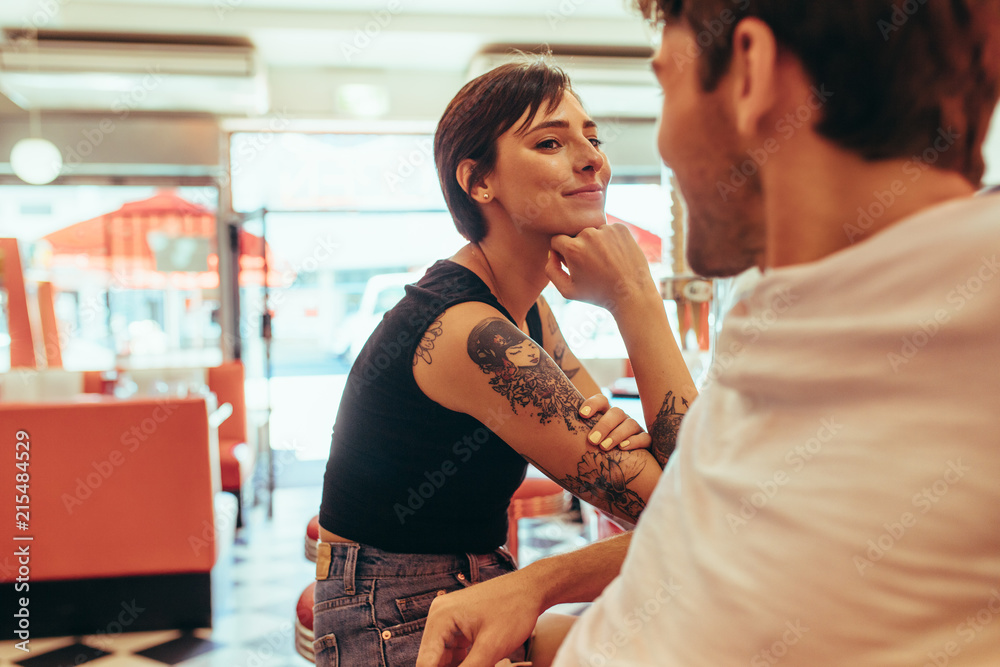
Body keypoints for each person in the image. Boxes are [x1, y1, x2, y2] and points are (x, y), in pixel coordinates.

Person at [417, 0, 1000, 665]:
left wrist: (636, 299)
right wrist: (536, 589)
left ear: (750, 72)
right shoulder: (783, 328)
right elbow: (690, 555)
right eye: (552, 141)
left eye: (665, 85)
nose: (600, 164)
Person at [314, 58, 698, 667]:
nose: (593, 158)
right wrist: (637, 299)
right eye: (550, 141)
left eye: (592, 138)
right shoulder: (476, 335)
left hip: (472, 591)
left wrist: (649, 458)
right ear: (479, 181)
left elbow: (682, 498)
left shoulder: (530, 312)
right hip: (398, 622)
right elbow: (692, 514)